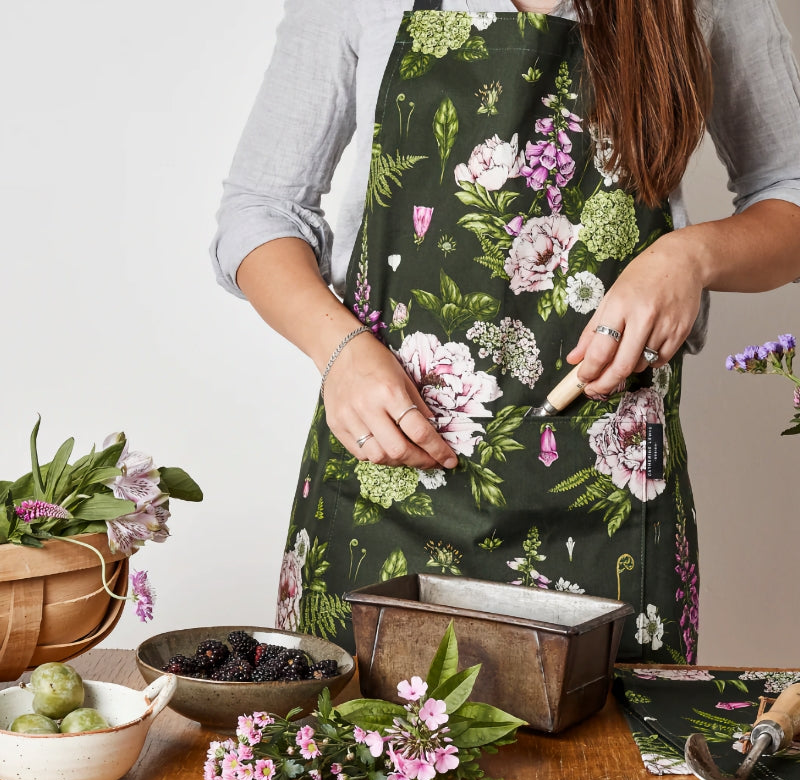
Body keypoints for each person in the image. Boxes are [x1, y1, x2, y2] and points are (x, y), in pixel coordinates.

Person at [210, 0, 800, 662]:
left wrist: (690, 256)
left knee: (604, 767)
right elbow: (259, 210)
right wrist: (338, 350)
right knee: (361, 755)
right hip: (381, 489)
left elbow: (793, 190)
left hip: (608, 516)